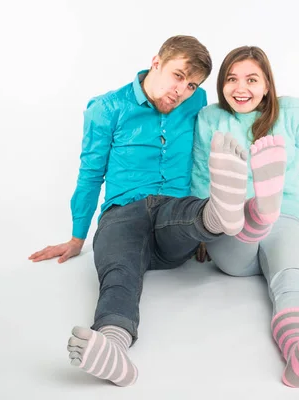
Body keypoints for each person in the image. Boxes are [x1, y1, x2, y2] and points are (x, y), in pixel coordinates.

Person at [28, 36, 264, 387]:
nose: (181, 91)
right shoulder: (107, 108)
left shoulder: (197, 101)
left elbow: (208, 148)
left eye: (191, 85)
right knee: (119, 270)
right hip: (123, 213)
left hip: (174, 216)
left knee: (185, 216)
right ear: (156, 62)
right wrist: (78, 237)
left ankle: (216, 217)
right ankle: (112, 346)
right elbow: (91, 173)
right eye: (177, 76)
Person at [190, 46, 299, 388]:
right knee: (237, 240)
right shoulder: (210, 117)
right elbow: (200, 177)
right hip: (230, 230)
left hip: (286, 218)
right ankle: (254, 212)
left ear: (267, 85)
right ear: (221, 84)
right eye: (231, 79)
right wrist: (202, 233)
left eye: (251, 79)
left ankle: (297, 351)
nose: (240, 88)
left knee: (291, 282)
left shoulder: (293, 112)